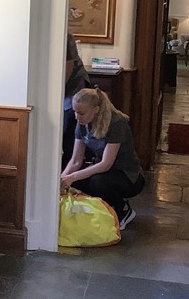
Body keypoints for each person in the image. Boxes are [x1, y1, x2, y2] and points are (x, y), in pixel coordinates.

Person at [60, 87, 145, 230]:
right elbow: (75, 160)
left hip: (128, 176)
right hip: (104, 171)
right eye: (75, 112)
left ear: (96, 109)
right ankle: (100, 208)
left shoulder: (117, 123)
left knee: (97, 182)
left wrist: (72, 177)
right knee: (75, 183)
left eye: (81, 113)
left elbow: (106, 164)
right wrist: (62, 180)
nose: (76, 117)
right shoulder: (81, 124)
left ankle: (122, 210)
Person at [62, 34, 90, 169]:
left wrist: (54, 95)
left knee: (69, 132)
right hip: (57, 90)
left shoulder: (66, 37)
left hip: (73, 88)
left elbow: (67, 69)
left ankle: (70, 178)